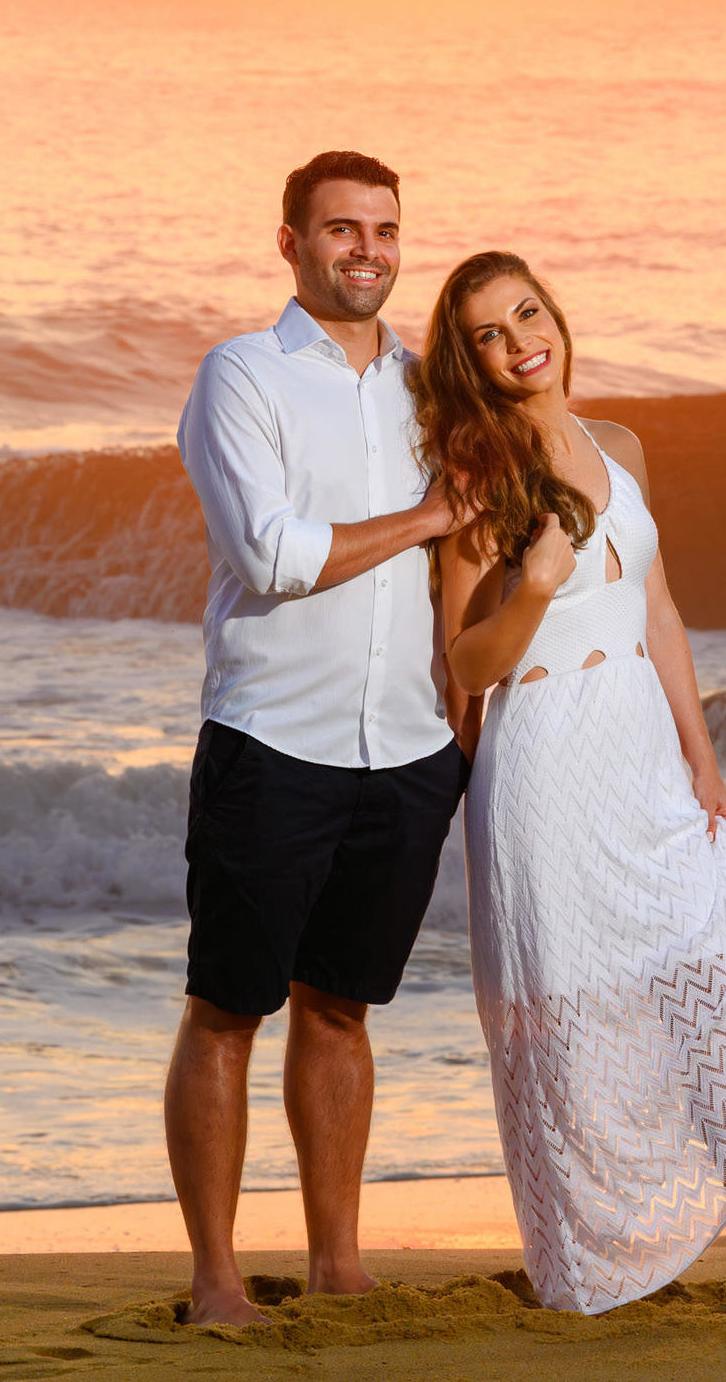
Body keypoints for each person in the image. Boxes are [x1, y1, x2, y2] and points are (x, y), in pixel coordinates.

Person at [411, 250, 726, 1332]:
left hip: (643, 747)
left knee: (711, 960)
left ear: (555, 314)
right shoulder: (473, 477)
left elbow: (661, 612)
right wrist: (537, 584)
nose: (521, 342)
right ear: (470, 364)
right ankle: (592, 1254)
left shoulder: (620, 446)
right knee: (572, 1014)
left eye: (527, 313)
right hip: (547, 759)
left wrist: (704, 759)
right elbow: (464, 665)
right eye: (489, 336)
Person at [169, 151, 466, 1327]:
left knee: (341, 1008)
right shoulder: (240, 375)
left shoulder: (429, 387)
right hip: (272, 741)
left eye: (385, 231)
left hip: (406, 750)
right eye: (341, 229)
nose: (367, 251)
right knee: (228, 1010)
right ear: (289, 241)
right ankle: (217, 1282)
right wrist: (431, 514)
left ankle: (340, 1266)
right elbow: (273, 555)